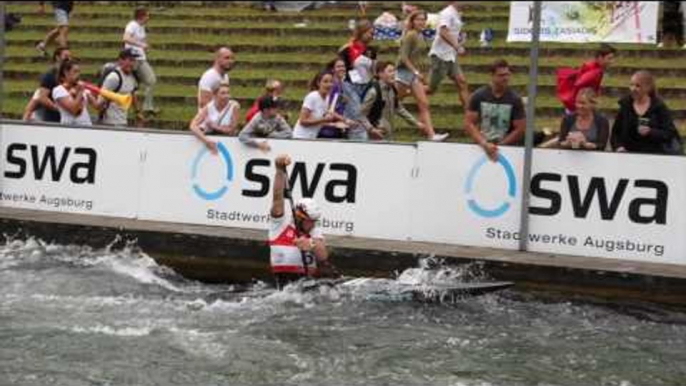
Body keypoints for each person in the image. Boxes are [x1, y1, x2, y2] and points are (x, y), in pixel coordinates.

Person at [270, 154, 332, 288]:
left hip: (309, 284)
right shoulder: (279, 225)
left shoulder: (314, 230)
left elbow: (323, 255)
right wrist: (279, 170)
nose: (313, 224)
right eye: (309, 221)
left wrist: (311, 244)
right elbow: (277, 197)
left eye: (315, 220)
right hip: (284, 286)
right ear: (298, 217)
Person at [395, 10, 448, 142]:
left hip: (413, 74)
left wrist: (421, 70)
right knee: (393, 101)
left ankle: (431, 135)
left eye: (423, 19)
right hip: (403, 73)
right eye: (418, 19)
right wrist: (416, 72)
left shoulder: (420, 35)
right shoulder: (411, 35)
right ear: (413, 21)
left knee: (423, 103)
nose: (421, 22)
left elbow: (418, 56)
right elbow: (404, 57)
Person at [464, 59, 526, 162]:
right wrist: (484, 143)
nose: (505, 78)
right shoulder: (479, 95)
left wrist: (501, 145)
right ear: (492, 75)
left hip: (507, 149)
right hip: (481, 147)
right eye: (501, 75)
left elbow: (520, 128)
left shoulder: (515, 99)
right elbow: (469, 123)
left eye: (507, 75)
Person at [611, 71, 683, 155]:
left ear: (648, 88)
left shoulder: (659, 107)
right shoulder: (625, 106)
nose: (633, 89)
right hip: (628, 156)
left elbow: (669, 133)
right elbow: (616, 133)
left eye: (638, 86)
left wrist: (651, 132)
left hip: (654, 156)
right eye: (631, 85)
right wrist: (619, 147)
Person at [360, 61, 424, 141]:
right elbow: (361, 114)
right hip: (376, 136)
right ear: (380, 74)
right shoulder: (374, 92)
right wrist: (371, 130)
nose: (393, 74)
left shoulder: (392, 90)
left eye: (394, 71)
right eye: (390, 71)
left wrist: (416, 123)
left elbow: (399, 108)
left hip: (389, 134)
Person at [427, 1, 470, 111]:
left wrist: (460, 39)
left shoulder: (456, 13)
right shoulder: (447, 13)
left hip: (450, 56)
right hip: (440, 56)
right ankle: (400, 95)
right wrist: (457, 47)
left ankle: (469, 113)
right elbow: (443, 31)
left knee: (462, 82)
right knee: (430, 89)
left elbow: (451, 32)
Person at [557, 44, 616, 114]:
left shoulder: (593, 66)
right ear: (600, 57)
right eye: (609, 58)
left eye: (612, 58)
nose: (612, 61)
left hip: (576, 105)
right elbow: (578, 84)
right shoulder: (595, 72)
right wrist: (580, 103)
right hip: (577, 108)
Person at [292, 71, 350, 140]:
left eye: (331, 82)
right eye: (325, 82)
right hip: (301, 137)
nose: (329, 84)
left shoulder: (326, 98)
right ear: (318, 83)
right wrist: (324, 119)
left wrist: (337, 124)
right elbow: (303, 121)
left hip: (312, 138)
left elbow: (325, 116)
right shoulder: (312, 97)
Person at [123, 7, 158, 118]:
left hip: (140, 59)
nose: (149, 18)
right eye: (147, 15)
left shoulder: (141, 27)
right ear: (141, 16)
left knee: (149, 81)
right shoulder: (132, 25)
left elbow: (139, 40)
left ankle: (146, 107)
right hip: (133, 60)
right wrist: (141, 45)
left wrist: (144, 46)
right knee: (138, 83)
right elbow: (125, 38)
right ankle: (141, 109)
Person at [189, 83, 241, 154]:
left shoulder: (234, 106)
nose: (227, 96)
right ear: (215, 95)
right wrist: (206, 140)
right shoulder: (209, 107)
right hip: (209, 141)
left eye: (228, 93)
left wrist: (215, 126)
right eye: (223, 93)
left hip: (228, 143)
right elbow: (193, 125)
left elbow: (232, 129)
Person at [97, 48, 139, 127]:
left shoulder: (132, 77)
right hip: (110, 123)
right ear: (120, 61)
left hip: (123, 121)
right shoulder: (114, 78)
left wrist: (137, 112)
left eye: (134, 60)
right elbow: (99, 102)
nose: (132, 63)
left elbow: (132, 93)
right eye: (129, 60)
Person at [52, 61, 98, 126]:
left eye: (79, 72)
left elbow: (97, 106)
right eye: (75, 71)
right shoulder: (58, 90)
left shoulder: (82, 88)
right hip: (70, 130)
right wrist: (80, 92)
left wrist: (105, 96)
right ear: (66, 72)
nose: (78, 75)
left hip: (87, 128)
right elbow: (74, 110)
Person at [34, 46, 72, 123]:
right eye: (66, 56)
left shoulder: (69, 76)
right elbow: (42, 97)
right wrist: (58, 109)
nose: (69, 59)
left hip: (68, 119)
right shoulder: (49, 76)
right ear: (57, 57)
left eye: (70, 57)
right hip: (52, 120)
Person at [339, 19, 376, 85]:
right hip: (349, 85)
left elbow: (373, 71)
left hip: (367, 84)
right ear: (362, 32)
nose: (371, 37)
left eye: (373, 34)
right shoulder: (346, 49)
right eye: (370, 33)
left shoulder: (371, 51)